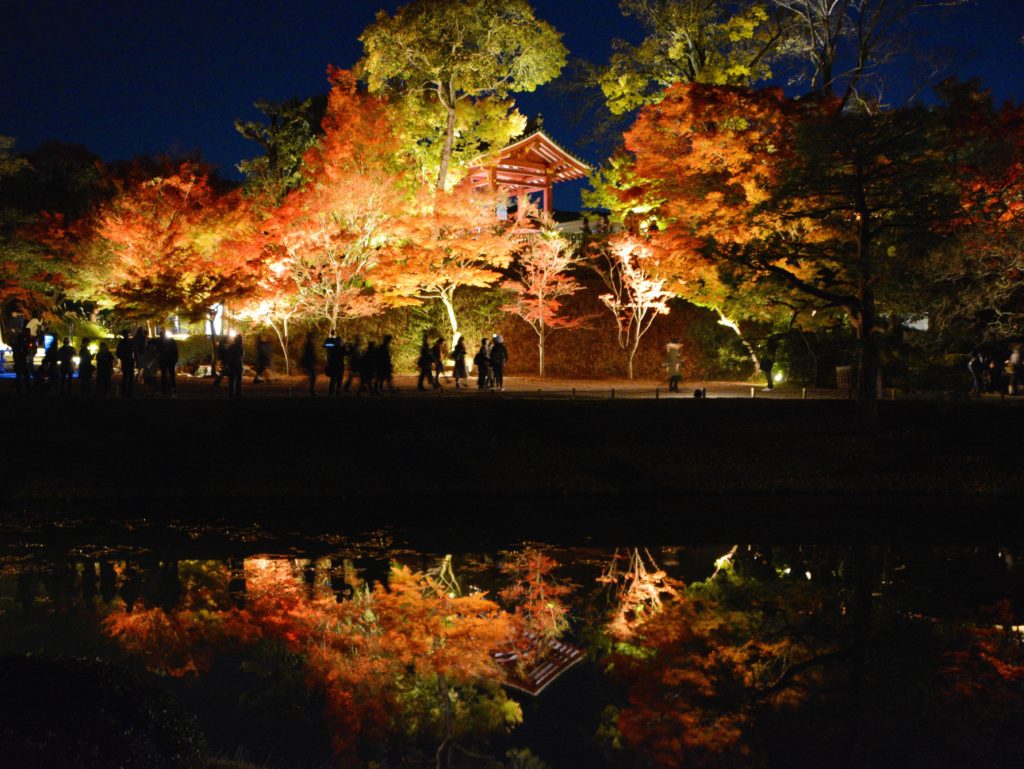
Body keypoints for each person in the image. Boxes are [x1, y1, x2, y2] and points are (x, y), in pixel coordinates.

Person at [324, 331, 344, 396]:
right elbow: (325, 345)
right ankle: (335, 391)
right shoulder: (335, 342)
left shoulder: (330, 341)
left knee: (334, 378)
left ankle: (332, 391)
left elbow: (324, 345)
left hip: (332, 361)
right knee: (337, 378)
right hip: (336, 363)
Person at [115, 331, 135, 397]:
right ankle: (128, 391)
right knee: (128, 377)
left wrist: (122, 357)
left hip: (127, 360)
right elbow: (118, 353)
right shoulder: (126, 342)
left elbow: (118, 353)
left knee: (127, 377)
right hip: (127, 360)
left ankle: (127, 391)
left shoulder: (123, 342)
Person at [159, 332, 179, 397]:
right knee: (171, 375)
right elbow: (176, 351)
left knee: (164, 375)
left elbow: (159, 352)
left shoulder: (161, 343)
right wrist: (175, 359)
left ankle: (164, 390)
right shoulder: (171, 341)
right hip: (170, 361)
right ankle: (172, 390)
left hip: (165, 361)